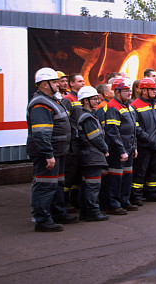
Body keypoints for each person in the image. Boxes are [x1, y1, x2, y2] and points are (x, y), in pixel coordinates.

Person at [27, 67, 75, 232]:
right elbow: (41, 133)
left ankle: (58, 214)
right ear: (43, 84)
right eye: (54, 82)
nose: (58, 84)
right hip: (49, 154)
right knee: (45, 185)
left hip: (58, 152)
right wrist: (48, 154)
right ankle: (42, 220)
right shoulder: (40, 104)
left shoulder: (53, 100)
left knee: (57, 185)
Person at [102, 78, 138, 214]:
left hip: (128, 147)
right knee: (116, 176)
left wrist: (133, 148)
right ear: (117, 92)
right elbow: (113, 131)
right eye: (126, 90)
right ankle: (114, 204)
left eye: (129, 90)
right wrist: (122, 150)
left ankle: (124, 201)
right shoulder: (113, 106)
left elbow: (132, 129)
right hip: (117, 149)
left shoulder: (127, 105)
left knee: (127, 175)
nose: (129, 93)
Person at [130, 77, 156, 204]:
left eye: (155, 89)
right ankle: (136, 196)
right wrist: (147, 138)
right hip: (144, 145)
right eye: (152, 89)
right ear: (143, 90)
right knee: (140, 171)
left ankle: (153, 193)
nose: (154, 91)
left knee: (155, 170)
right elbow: (135, 127)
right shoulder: (135, 105)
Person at [76, 86, 109, 221]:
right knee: (93, 185)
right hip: (92, 156)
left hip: (89, 155)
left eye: (97, 98)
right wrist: (105, 149)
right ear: (85, 101)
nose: (97, 101)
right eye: (94, 99)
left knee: (87, 184)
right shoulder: (87, 118)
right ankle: (92, 212)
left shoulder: (88, 116)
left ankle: (85, 212)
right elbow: (95, 138)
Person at [60, 73, 85, 213]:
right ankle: (65, 202)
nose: (82, 83)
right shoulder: (67, 99)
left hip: (82, 141)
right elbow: (65, 121)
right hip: (72, 142)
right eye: (79, 81)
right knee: (69, 173)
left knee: (77, 174)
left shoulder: (82, 98)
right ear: (71, 84)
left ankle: (76, 200)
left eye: (83, 81)